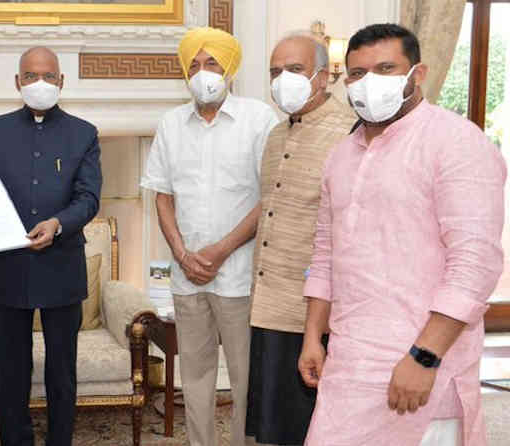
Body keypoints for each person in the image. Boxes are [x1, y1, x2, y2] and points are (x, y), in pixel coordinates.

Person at [299, 24, 505, 446]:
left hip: (420, 369)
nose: (369, 81)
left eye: (386, 68)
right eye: (357, 73)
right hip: (349, 364)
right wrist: (312, 338)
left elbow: (474, 264)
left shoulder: (456, 141)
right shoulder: (342, 153)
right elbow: (325, 253)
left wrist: (424, 357)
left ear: (418, 73)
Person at [140, 27, 279, 446]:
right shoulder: (170, 123)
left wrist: (219, 251)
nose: (203, 73)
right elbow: (162, 196)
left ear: (230, 68)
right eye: (195, 65)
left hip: (239, 276)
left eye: (212, 63)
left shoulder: (260, 119)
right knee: (195, 377)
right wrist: (182, 255)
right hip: (187, 278)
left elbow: (269, 197)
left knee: (244, 379)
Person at [0, 46, 102, 446]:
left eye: (47, 76)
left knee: (62, 372)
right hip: (9, 268)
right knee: (11, 372)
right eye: (29, 76)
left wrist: (58, 224)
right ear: (17, 83)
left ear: (61, 82)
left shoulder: (84, 133)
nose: (38, 83)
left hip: (62, 267)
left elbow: (89, 198)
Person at [245, 33, 357, 446]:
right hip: (269, 304)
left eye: (294, 70)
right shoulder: (276, 135)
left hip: (317, 310)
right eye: (275, 72)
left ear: (323, 76)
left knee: (314, 425)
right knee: (276, 427)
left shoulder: (352, 132)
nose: (282, 80)